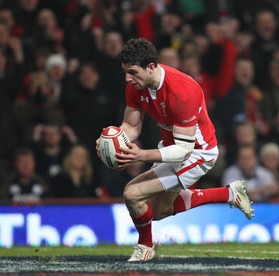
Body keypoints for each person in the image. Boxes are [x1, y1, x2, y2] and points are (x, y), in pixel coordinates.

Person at [96, 38, 253, 262]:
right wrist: (112, 140)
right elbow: (131, 126)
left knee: (132, 194)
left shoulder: (182, 91)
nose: (127, 78)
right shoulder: (135, 86)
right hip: (173, 147)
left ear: (151, 67)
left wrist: (141, 154)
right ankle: (229, 194)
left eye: (132, 71)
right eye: (125, 71)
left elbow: (183, 151)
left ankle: (145, 247)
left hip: (198, 152)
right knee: (159, 211)